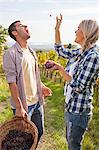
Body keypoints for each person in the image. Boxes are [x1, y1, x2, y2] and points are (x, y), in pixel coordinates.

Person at [46, 14, 99, 150]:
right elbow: (60, 51)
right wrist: (57, 29)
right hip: (71, 106)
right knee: (70, 142)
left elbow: (79, 86)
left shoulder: (93, 57)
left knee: (74, 146)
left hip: (79, 111)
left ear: (86, 32)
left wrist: (61, 69)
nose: (75, 31)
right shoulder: (81, 52)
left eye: (78, 28)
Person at [3, 20, 52, 144]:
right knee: (23, 140)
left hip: (37, 102)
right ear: (14, 32)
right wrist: (19, 107)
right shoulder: (11, 53)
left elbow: (33, 75)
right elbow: (11, 82)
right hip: (24, 105)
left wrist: (42, 87)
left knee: (39, 132)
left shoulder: (31, 51)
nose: (26, 26)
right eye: (21, 25)